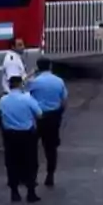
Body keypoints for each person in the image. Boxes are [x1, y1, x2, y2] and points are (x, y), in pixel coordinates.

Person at [0, 75, 43, 203]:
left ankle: (14, 192)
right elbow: (39, 114)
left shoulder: (3, 100)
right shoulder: (27, 99)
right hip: (27, 135)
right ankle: (31, 192)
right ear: (20, 85)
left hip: (10, 135)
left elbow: (0, 114)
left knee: (12, 163)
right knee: (30, 162)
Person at [27, 58, 68, 188]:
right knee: (51, 148)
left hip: (38, 117)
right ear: (50, 66)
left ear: (38, 67)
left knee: (32, 147)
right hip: (54, 116)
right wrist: (60, 112)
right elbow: (64, 99)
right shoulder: (59, 81)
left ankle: (32, 176)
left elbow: (25, 95)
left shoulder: (34, 83)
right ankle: (50, 174)